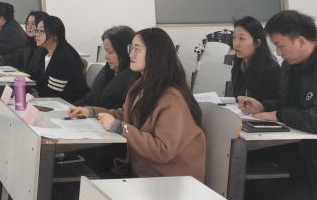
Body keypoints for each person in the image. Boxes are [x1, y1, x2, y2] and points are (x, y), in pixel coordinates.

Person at [238, 10, 317, 200]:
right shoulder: (291, 66)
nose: (277, 53)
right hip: (301, 152)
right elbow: (292, 104)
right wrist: (264, 106)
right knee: (247, 174)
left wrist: (278, 115)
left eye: (280, 46)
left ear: (301, 41)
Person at [69, 27, 206, 181]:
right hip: (144, 171)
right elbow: (127, 114)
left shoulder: (171, 98)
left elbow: (162, 150)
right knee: (81, 173)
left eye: (137, 49)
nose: (131, 54)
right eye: (131, 48)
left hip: (171, 179)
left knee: (85, 177)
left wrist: (120, 128)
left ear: (154, 54)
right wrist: (91, 112)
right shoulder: (141, 85)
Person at [75, 25, 137, 110]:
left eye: (110, 52)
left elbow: (117, 112)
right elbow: (92, 97)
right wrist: (72, 108)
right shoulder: (108, 70)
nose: (106, 57)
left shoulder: (133, 79)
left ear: (124, 52)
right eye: (106, 51)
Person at [33, 15, 88, 102]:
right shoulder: (46, 53)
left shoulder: (63, 57)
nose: (37, 34)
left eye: (42, 31)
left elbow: (52, 95)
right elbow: (41, 83)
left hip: (72, 105)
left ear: (55, 35)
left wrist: (35, 97)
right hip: (55, 102)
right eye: (37, 30)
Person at [230, 15, 281, 102]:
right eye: (234, 37)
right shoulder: (238, 66)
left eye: (241, 38)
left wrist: (262, 106)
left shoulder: (271, 70)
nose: (236, 44)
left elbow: (278, 103)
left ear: (257, 43)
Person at [0, 11, 50, 76]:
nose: (29, 27)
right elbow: (16, 58)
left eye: (33, 24)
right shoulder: (29, 44)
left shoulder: (46, 48)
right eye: (28, 23)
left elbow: (37, 73)